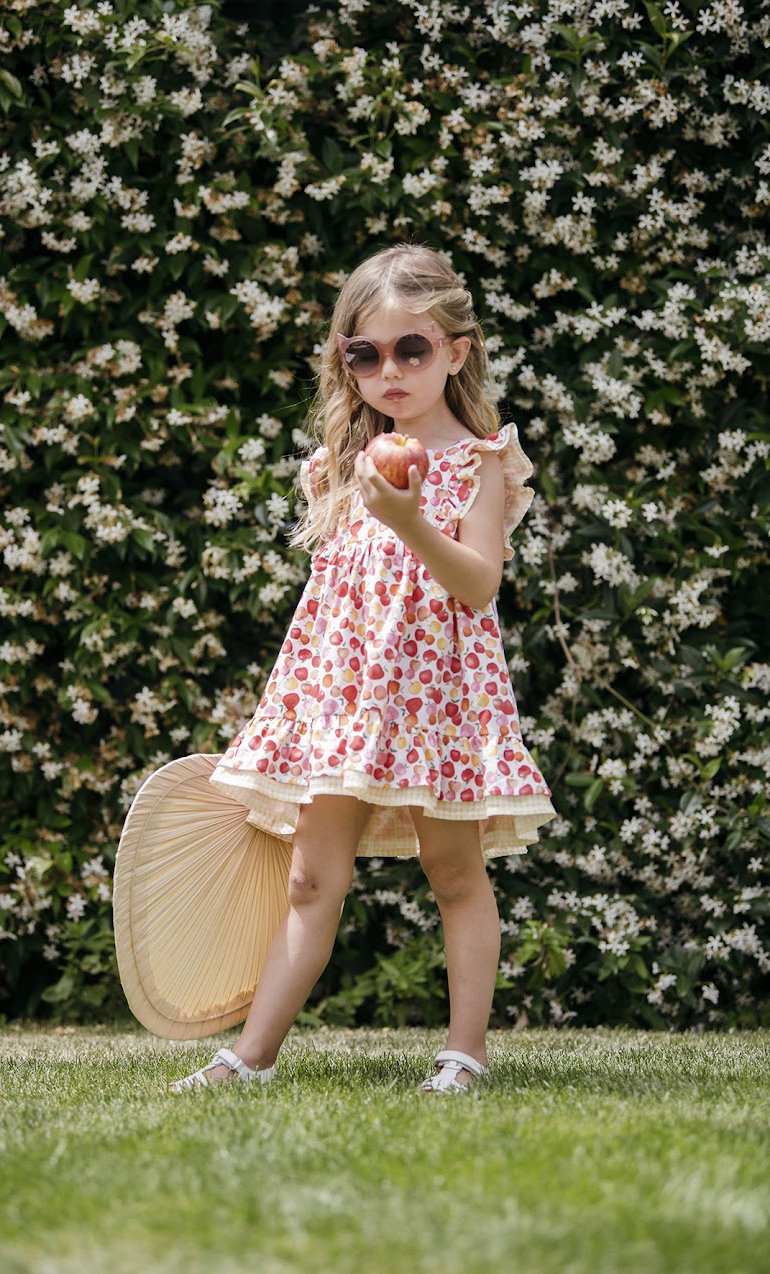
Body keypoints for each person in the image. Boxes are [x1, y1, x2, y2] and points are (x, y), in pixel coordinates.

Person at [169, 243, 555, 1095]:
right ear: (344, 362)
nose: (390, 371)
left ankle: (463, 1054)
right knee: (311, 875)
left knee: (454, 871)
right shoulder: (339, 465)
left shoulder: (481, 462)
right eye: (364, 353)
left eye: (411, 349)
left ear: (454, 351)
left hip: (434, 703)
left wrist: (414, 522)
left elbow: (477, 585)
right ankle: (251, 1056)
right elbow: (338, 608)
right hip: (342, 699)